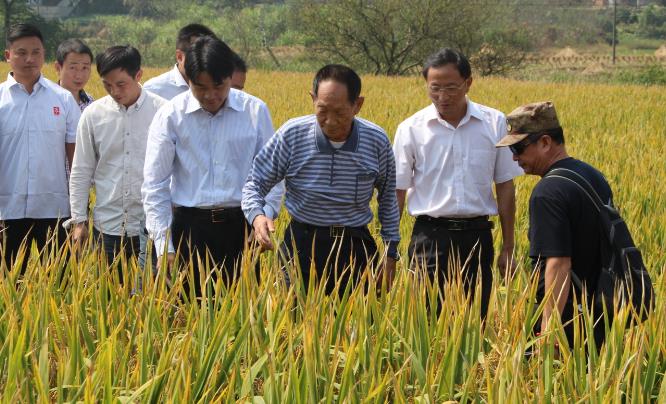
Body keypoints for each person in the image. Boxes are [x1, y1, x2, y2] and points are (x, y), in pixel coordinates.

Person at [242, 64, 400, 296]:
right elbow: (254, 183)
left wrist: (390, 253)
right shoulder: (292, 135)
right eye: (322, 110)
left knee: (358, 325)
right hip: (302, 244)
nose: (330, 121)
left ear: (358, 105)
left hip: (354, 245)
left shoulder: (376, 139)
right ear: (313, 99)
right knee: (294, 323)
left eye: (340, 113)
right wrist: (257, 217)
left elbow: (388, 199)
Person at [143, 36, 282, 296]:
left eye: (218, 86)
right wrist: (165, 247)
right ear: (188, 80)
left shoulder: (254, 111)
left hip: (241, 228)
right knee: (186, 314)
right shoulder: (171, 115)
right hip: (189, 229)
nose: (210, 95)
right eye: (200, 87)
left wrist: (264, 217)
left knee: (244, 314)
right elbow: (155, 185)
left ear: (231, 76)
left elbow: (272, 175)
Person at [392, 48, 522, 318]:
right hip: (429, 238)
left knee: (476, 320)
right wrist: (389, 250)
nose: (443, 97)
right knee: (424, 321)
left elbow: (505, 185)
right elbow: (398, 192)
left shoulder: (494, 122)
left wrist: (508, 247)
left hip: (477, 236)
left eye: (451, 88)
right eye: (435, 88)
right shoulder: (411, 128)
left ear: (468, 83)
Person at [496, 101, 613, 349]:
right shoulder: (591, 174)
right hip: (600, 309)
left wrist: (549, 332)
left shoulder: (547, 192)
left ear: (545, 142)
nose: (515, 157)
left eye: (518, 148)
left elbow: (558, 263)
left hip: (570, 318)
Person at [67, 46, 167, 280]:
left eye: (121, 84)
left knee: (153, 301)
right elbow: (81, 171)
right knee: (108, 301)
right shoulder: (93, 115)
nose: (114, 91)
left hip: (152, 227)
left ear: (138, 75)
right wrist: (79, 220)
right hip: (108, 228)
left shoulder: (163, 112)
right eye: (107, 85)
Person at [0, 23, 81, 269]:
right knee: (7, 285)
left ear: (44, 54)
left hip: (55, 211)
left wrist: (79, 214)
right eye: (21, 52)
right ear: (8, 56)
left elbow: (76, 159)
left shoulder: (63, 99)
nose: (29, 59)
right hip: (6, 211)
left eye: (36, 52)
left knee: (60, 283)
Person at [143, 23, 216, 100]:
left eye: (209, 55)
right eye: (198, 55)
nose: (205, 60)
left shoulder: (222, 87)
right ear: (180, 57)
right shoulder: (154, 90)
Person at [55, 38, 94, 112]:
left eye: (85, 68)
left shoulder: (90, 103)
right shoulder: (47, 100)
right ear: (58, 68)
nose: (79, 75)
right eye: (73, 68)